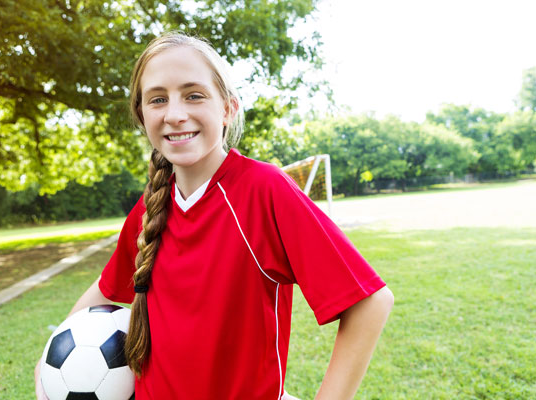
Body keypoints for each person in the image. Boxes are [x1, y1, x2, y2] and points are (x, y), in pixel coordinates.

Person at [35, 32, 394, 400]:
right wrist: (46, 363)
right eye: (158, 99)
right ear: (142, 115)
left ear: (227, 108)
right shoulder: (148, 210)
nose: (175, 114)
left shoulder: (263, 189)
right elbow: (103, 291)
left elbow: (369, 302)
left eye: (193, 95)